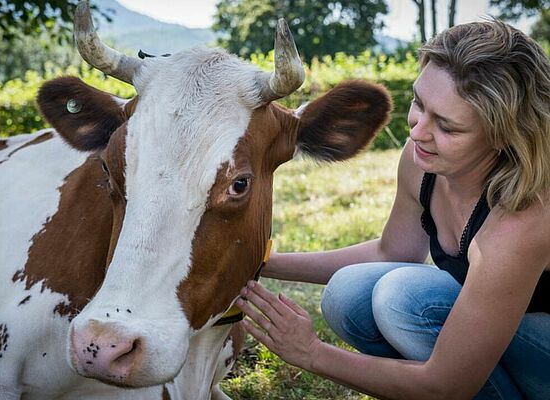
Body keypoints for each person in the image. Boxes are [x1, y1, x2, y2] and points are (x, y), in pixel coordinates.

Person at [235, 20, 550, 399]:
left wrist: (312, 353)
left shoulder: (526, 214)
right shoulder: (422, 160)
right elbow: (391, 253)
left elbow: (448, 384)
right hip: (507, 336)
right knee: (349, 294)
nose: (417, 131)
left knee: (404, 298)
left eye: (447, 127)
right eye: (419, 104)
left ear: (502, 135)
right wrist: (260, 259)